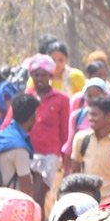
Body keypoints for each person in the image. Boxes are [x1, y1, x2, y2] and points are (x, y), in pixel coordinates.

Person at [21, 53, 71, 207]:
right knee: (27, 195)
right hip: (26, 153)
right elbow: (11, 122)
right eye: (36, 75)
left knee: (39, 195)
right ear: (31, 75)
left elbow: (65, 133)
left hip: (49, 155)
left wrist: (66, 162)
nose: (40, 78)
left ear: (50, 75)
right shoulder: (25, 97)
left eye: (44, 75)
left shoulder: (61, 100)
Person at [70, 95, 110, 199]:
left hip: (109, 206)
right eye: (89, 115)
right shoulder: (81, 139)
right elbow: (74, 174)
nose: (90, 118)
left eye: (95, 115)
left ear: (108, 116)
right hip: (86, 202)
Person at [0, 92, 40, 197]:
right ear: (32, 118)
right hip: (9, 202)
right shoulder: (19, 147)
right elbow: (26, 186)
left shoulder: (0, 136)